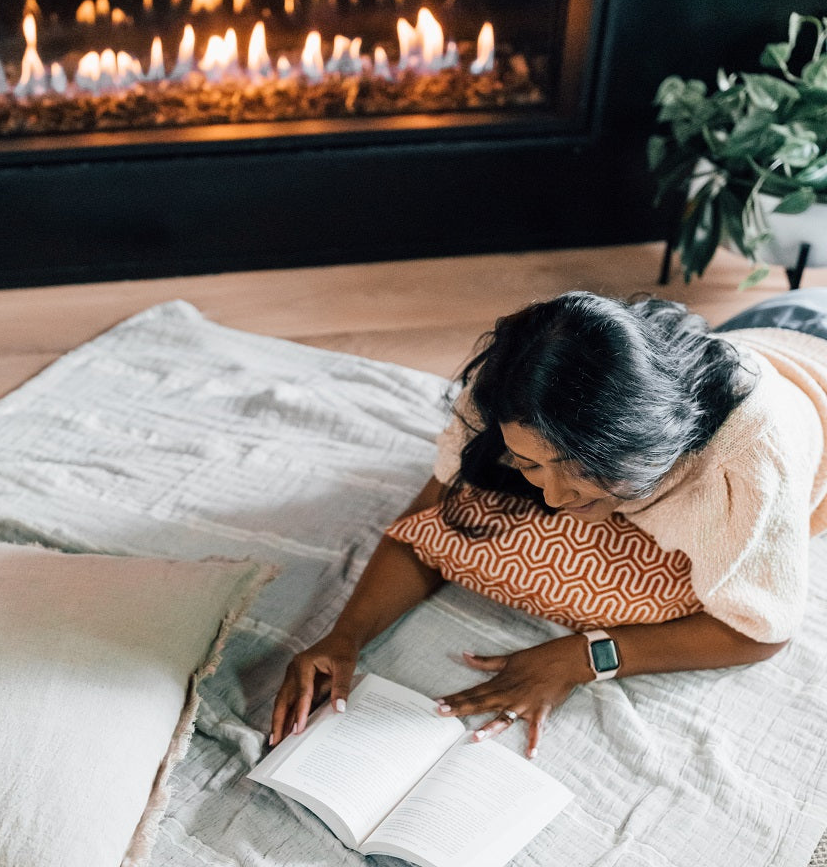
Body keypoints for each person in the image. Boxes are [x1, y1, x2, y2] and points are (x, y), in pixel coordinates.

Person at [270, 289, 827, 759]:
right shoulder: (510, 392)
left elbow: (761, 632)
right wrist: (344, 638)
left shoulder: (746, 462)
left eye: (584, 471)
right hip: (755, 334)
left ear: (646, 445)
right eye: (531, 465)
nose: (556, 498)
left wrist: (581, 657)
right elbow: (428, 518)